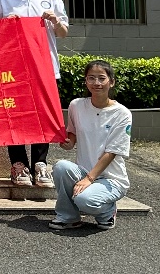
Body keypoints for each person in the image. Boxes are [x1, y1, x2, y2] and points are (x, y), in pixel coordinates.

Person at [0, 0, 69, 188]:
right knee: (15, 116)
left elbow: (63, 33)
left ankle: (40, 164)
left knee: (42, 116)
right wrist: (5, 25)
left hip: (45, 67)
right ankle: (19, 165)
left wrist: (54, 20)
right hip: (14, 69)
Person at [49, 60, 131, 232]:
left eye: (102, 78)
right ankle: (68, 217)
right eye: (91, 78)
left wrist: (89, 179)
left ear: (111, 82)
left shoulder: (122, 114)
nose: (96, 83)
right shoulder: (76, 105)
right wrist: (68, 142)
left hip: (111, 179)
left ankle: (107, 212)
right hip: (83, 170)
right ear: (86, 81)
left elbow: (112, 152)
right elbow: (72, 134)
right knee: (61, 167)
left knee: (84, 200)